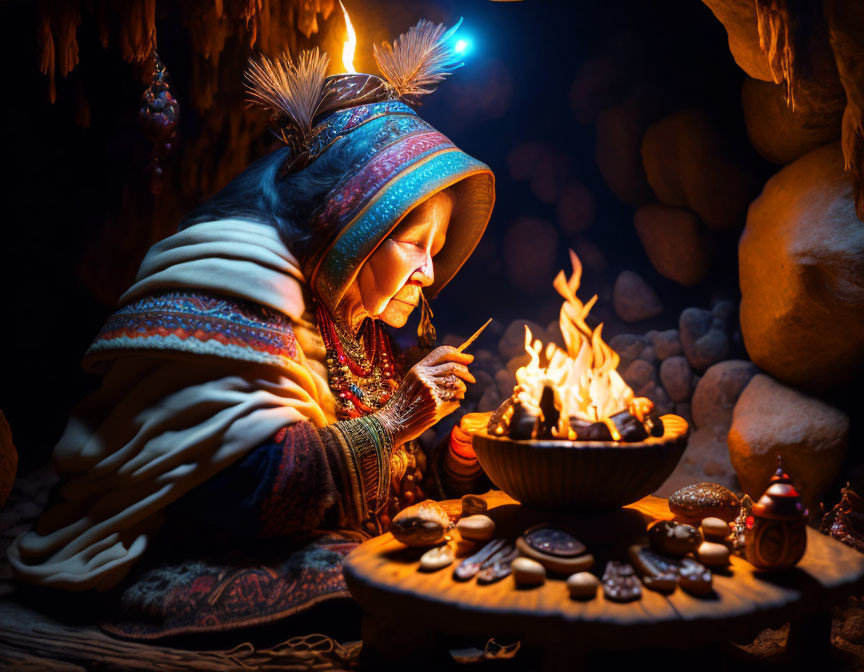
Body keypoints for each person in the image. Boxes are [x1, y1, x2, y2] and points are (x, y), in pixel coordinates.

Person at [7, 20, 494, 637]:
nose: (429, 272)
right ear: (354, 223)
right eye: (413, 243)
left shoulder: (358, 324)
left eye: (438, 247)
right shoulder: (246, 291)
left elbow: (397, 478)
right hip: (186, 540)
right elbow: (239, 493)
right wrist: (395, 420)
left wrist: (455, 449)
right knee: (363, 572)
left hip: (306, 534)